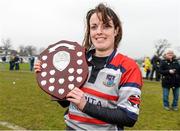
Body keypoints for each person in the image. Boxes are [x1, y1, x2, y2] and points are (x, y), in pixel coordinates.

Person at [34, 3, 142, 130]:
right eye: (94, 27)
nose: (99, 32)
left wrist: (85, 105)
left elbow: (128, 117)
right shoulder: (78, 59)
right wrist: (49, 75)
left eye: (106, 26)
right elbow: (66, 102)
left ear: (116, 30)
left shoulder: (128, 67)